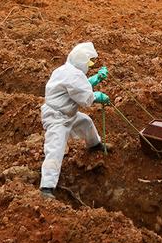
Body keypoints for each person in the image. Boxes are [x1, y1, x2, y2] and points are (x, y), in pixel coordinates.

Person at [39, 42, 111, 199]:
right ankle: (47, 187)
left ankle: (94, 144)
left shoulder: (65, 70)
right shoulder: (73, 75)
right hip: (57, 118)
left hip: (68, 114)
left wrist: (96, 78)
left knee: (86, 123)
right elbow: (85, 98)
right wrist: (98, 96)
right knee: (55, 148)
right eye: (89, 62)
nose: (89, 64)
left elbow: (78, 86)